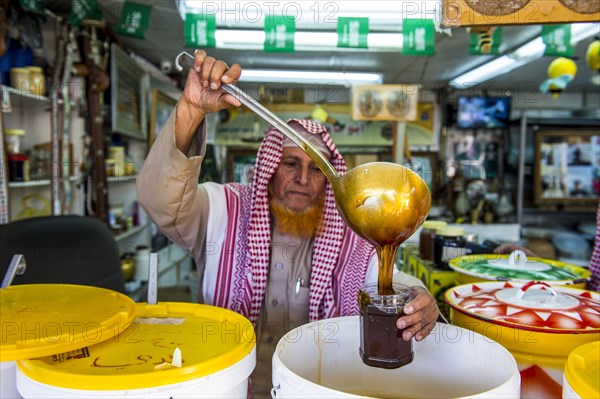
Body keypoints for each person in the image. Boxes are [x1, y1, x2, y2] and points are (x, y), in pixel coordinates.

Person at [137, 50, 439, 397]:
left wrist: (419, 297)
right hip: (229, 384)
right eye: (290, 164)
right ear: (269, 167)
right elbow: (159, 199)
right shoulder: (223, 209)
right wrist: (190, 111)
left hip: (315, 387)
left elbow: (388, 283)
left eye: (315, 169)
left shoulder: (353, 234)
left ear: (328, 180)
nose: (302, 179)